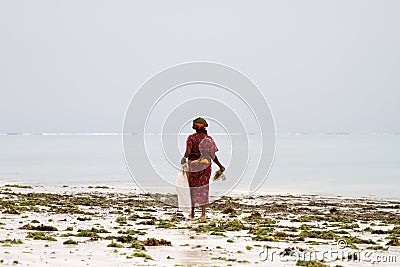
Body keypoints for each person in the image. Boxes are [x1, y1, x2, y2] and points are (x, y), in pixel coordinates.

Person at [181, 117, 225, 219]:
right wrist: (220, 166)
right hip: (205, 167)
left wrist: (184, 158)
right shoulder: (208, 140)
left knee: (192, 188)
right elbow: (213, 156)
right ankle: (203, 213)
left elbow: (188, 152)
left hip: (193, 167)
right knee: (204, 188)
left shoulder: (191, 138)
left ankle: (192, 213)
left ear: (195, 128)